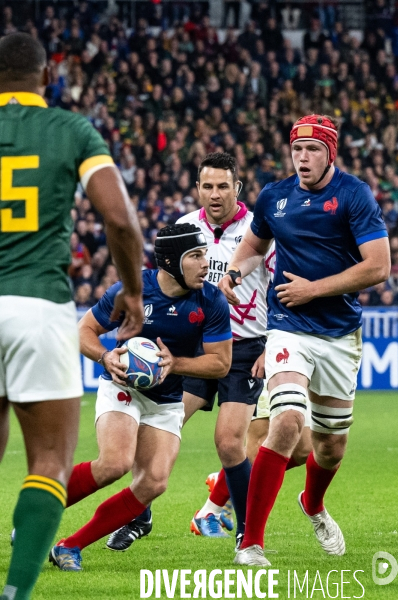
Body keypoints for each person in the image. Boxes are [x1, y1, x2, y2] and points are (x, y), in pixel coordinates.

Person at [107, 152, 311, 552]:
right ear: (197, 188)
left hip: (244, 349)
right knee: (154, 429)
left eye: (223, 186)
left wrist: (273, 345)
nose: (215, 194)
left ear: (237, 188)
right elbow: (160, 285)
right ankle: (140, 514)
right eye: (207, 186)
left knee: (230, 442)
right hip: (192, 346)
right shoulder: (184, 228)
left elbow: (282, 289)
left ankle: (244, 532)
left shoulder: (259, 229)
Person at [0, 33, 143, 600]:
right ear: (46, 75)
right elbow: (121, 220)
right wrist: (132, 292)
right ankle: (16, 592)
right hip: (39, 307)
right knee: (51, 461)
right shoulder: (71, 130)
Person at [219, 114, 390, 566]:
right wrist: (235, 269)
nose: (303, 158)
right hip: (288, 329)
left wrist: (314, 289)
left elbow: (378, 266)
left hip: (339, 335)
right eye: (297, 149)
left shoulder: (354, 195)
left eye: (313, 150)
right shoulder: (274, 197)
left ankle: (312, 504)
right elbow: (255, 246)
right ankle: (250, 543)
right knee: (289, 420)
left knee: (330, 448)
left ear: (331, 152)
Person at [49, 223, 232, 571]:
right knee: (115, 463)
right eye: (196, 256)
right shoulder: (132, 291)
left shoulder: (211, 299)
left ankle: (68, 546)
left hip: (166, 398)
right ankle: (37, 516)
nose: (206, 263)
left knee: (154, 481)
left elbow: (221, 363)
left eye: (205, 253)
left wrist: (176, 363)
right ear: (170, 261)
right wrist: (105, 356)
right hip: (123, 387)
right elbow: (84, 330)